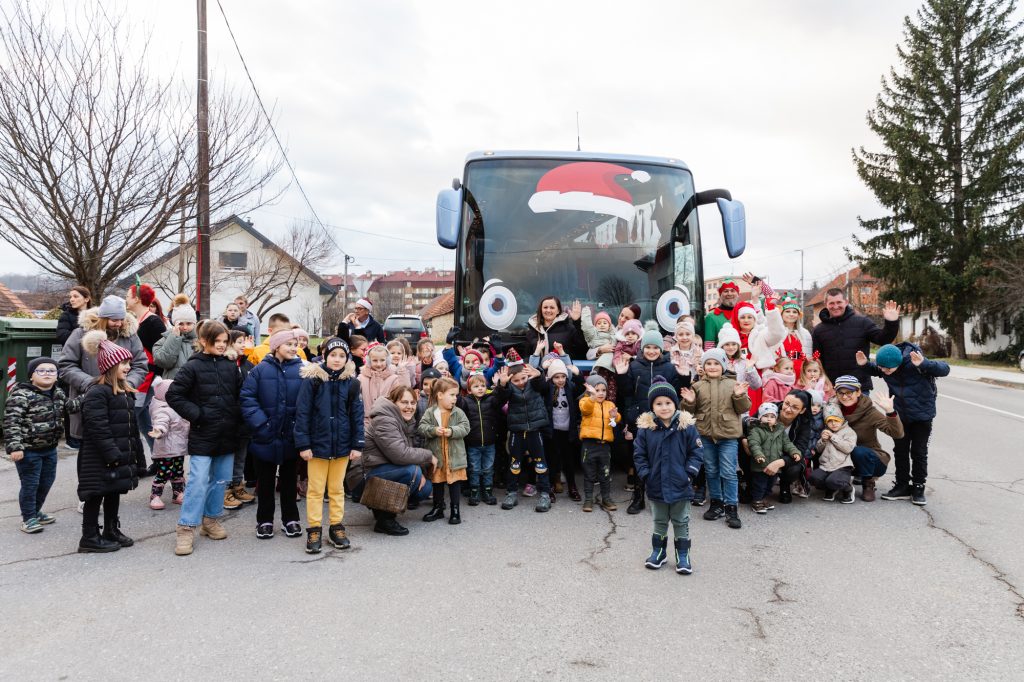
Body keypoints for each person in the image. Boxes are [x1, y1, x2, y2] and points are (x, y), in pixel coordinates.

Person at [166, 321, 242, 556]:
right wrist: (197, 415)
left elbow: (241, 395)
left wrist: (240, 421)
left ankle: (210, 520)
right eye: (216, 341)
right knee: (198, 481)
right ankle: (186, 527)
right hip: (203, 434)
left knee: (220, 480)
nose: (221, 346)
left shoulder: (231, 367)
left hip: (227, 433)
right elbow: (174, 395)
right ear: (203, 342)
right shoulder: (192, 367)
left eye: (224, 341)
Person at [58, 295, 148, 469]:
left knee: (118, 445)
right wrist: (90, 383)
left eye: (121, 319)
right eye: (114, 320)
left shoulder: (130, 336)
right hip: (90, 399)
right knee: (89, 449)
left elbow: (141, 365)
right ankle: (89, 491)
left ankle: (113, 489)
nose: (119, 324)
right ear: (103, 318)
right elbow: (65, 365)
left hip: (119, 400)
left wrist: (127, 384)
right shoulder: (80, 334)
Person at [294, 337, 364, 554]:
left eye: (342, 356)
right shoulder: (313, 381)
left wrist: (357, 444)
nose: (337, 359)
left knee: (336, 489)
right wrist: (304, 444)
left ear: (347, 358)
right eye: (333, 355)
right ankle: (314, 528)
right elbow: (303, 413)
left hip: (342, 446)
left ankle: (336, 526)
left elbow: (357, 416)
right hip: (317, 446)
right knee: (315, 490)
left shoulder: (352, 383)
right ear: (325, 356)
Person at [858, 343, 950, 506]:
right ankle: (901, 486)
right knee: (900, 450)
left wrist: (924, 364)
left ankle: (918, 487)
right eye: (882, 368)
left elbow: (944, 369)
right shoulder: (887, 365)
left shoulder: (915, 362)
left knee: (919, 452)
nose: (884, 372)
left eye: (888, 369)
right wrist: (865, 365)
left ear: (898, 363)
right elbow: (877, 370)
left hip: (922, 416)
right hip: (900, 416)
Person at [76, 331, 141, 553]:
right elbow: (97, 427)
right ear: (110, 365)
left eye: (129, 362)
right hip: (100, 456)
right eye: (123, 362)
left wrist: (136, 456)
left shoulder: (124, 391)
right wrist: (112, 453)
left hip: (118, 454)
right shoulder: (98, 393)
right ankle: (89, 536)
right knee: (95, 495)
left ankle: (111, 530)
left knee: (114, 491)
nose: (128, 367)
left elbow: (132, 428)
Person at [241, 328, 307, 540]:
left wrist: (299, 426)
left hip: (290, 435)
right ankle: (264, 521)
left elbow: (307, 402)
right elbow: (248, 399)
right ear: (276, 346)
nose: (293, 347)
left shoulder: (303, 370)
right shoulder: (260, 370)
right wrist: (261, 424)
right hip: (265, 436)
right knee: (265, 482)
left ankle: (290, 519)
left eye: (295, 344)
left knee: (289, 481)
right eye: (289, 344)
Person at [633, 376, 703, 574]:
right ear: (652, 407)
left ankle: (683, 555)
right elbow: (639, 455)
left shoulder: (686, 426)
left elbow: (696, 452)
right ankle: (659, 552)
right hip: (656, 483)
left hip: (681, 483)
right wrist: (646, 475)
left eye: (668, 403)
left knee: (681, 521)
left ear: (675, 403)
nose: (664, 407)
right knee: (660, 521)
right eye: (658, 403)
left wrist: (689, 474)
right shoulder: (646, 429)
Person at [614, 329, 688, 514]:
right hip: (641, 419)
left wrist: (684, 376)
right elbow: (627, 393)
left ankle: (662, 497)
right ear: (642, 348)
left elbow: (679, 393)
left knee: (663, 458)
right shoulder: (634, 366)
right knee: (640, 458)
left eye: (656, 347)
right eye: (648, 347)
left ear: (661, 349)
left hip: (664, 418)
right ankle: (638, 497)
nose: (652, 351)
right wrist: (622, 375)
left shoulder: (670, 367)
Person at [347, 385, 436, 536]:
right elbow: (399, 454)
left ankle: (380, 508)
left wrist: (420, 470)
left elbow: (407, 451)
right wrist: (428, 456)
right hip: (363, 475)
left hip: (382, 469)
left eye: (412, 403)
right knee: (411, 473)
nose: (409, 407)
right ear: (393, 402)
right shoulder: (385, 420)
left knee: (424, 488)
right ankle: (385, 519)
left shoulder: (403, 419)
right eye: (404, 402)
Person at [680, 348, 751, 529]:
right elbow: (689, 413)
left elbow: (743, 408)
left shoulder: (732, 384)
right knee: (711, 470)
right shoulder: (697, 386)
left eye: (716, 363)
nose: (712, 367)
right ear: (703, 366)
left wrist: (739, 396)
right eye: (708, 363)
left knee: (728, 472)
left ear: (723, 365)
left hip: (727, 436)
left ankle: (731, 507)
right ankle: (717, 503)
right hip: (705, 435)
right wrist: (688, 401)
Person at [4, 357, 66, 534]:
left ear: (57, 376)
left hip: (50, 449)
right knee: (30, 484)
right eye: (42, 370)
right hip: (28, 451)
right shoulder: (21, 395)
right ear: (32, 376)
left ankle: (35, 512)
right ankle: (28, 518)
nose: (47, 373)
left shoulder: (58, 393)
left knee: (46, 481)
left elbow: (71, 407)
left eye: (51, 371)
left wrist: (90, 395)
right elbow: (11, 422)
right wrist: (15, 447)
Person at [493, 350, 553, 513]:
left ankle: (545, 494)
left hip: (535, 431)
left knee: (541, 463)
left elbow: (546, 388)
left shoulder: (534, 383)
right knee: (514, 463)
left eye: (523, 378)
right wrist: (503, 385)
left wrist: (538, 375)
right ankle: (511, 492)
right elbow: (498, 401)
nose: (520, 382)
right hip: (517, 432)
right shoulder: (509, 388)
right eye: (516, 380)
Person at [811, 289, 901, 392]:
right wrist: (822, 382)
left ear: (846, 302)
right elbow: (817, 360)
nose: (835, 306)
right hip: (831, 389)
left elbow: (883, 339)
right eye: (831, 303)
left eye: (839, 302)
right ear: (826, 304)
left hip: (859, 387)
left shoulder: (862, 323)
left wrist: (891, 322)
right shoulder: (819, 330)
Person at [832, 375, 904, 502]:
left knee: (858, 450)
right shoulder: (833, 410)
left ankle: (868, 483)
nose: (844, 396)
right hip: (843, 457)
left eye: (849, 392)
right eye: (841, 392)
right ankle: (839, 482)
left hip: (871, 459)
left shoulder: (869, 412)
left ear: (858, 392)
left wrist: (890, 411)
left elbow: (897, 434)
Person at [418, 377, 471, 525]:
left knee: (454, 484)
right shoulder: (430, 412)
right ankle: (438, 508)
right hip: (438, 456)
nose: (455, 398)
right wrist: (434, 430)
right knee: (437, 483)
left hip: (454, 457)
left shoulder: (458, 412)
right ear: (440, 395)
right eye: (452, 395)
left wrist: (452, 431)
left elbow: (466, 428)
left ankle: (455, 510)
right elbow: (421, 428)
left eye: (456, 395)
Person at [126, 283, 167, 453]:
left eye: (128, 295)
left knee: (130, 419)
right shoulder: (136, 321)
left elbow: (161, 354)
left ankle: (160, 460)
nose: (126, 299)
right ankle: (159, 459)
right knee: (144, 424)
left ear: (136, 299)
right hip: (139, 375)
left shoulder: (154, 322)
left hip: (147, 379)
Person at [540, 357, 583, 503]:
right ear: (551, 378)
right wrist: (543, 369)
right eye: (556, 377)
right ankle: (550, 487)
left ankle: (572, 486)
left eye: (563, 376)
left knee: (569, 461)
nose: (560, 380)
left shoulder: (569, 387)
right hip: (552, 431)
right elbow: (538, 384)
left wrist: (577, 374)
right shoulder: (547, 389)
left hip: (567, 430)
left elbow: (581, 386)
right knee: (552, 461)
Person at [746, 403, 801, 514]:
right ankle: (757, 501)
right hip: (760, 465)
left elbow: (787, 443)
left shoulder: (780, 431)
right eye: (766, 416)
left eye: (772, 416)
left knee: (770, 484)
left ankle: (764, 499)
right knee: (759, 484)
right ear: (760, 417)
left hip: (774, 465)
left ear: (776, 418)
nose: (769, 419)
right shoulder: (756, 430)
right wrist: (758, 455)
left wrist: (794, 452)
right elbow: (754, 444)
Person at [458, 373, 503, 506]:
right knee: (474, 469)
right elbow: (459, 408)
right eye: (476, 386)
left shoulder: (491, 399)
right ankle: (474, 491)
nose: (480, 388)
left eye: (483, 385)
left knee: (488, 468)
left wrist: (499, 386)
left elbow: (501, 398)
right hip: (473, 443)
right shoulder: (465, 401)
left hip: (490, 443)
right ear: (469, 389)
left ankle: (488, 491)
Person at [224, 331, 257, 506]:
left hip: (244, 420)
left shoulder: (248, 365)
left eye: (244, 341)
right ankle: (226, 491)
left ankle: (238, 485)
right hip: (229, 419)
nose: (243, 345)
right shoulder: (225, 364)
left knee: (241, 456)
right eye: (239, 342)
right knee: (228, 457)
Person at [578, 374, 619, 512]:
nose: (600, 393)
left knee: (605, 474)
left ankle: (606, 498)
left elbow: (616, 419)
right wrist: (592, 397)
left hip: (604, 445)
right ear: (590, 391)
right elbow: (586, 409)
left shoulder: (610, 404)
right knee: (589, 473)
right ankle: (588, 499)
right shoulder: (585, 401)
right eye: (597, 390)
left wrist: (615, 416)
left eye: (603, 390)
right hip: (589, 445)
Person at [146, 377, 188, 510]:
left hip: (178, 450)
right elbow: (161, 422)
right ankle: (155, 495)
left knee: (178, 471)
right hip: (165, 451)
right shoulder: (163, 409)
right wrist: (159, 431)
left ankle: (178, 493)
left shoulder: (176, 407)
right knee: (163, 473)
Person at [811, 403, 858, 503]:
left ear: (842, 420)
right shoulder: (826, 431)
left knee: (833, 481)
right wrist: (822, 441)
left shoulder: (849, 432)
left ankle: (848, 489)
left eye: (836, 420)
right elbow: (819, 450)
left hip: (842, 465)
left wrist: (833, 437)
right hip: (826, 465)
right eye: (830, 421)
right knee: (813, 478)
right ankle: (831, 488)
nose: (833, 423)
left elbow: (848, 448)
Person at [359, 343, 410, 430]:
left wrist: (402, 370)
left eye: (382, 360)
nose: (379, 364)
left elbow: (404, 391)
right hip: (366, 422)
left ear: (387, 360)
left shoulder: (393, 378)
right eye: (375, 360)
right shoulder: (361, 378)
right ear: (369, 361)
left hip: (387, 421)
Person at [152, 295, 198, 380]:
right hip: (173, 385)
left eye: (188, 323)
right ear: (175, 323)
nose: (185, 327)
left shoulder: (201, 340)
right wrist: (174, 338)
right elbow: (163, 361)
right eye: (181, 324)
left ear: (194, 323)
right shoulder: (165, 339)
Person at [771, 293, 813, 377]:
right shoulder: (775, 332)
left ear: (798, 315)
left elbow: (808, 357)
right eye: (787, 311)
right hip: (781, 375)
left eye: (794, 312)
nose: (791, 314)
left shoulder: (805, 333)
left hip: (801, 375)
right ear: (781, 314)